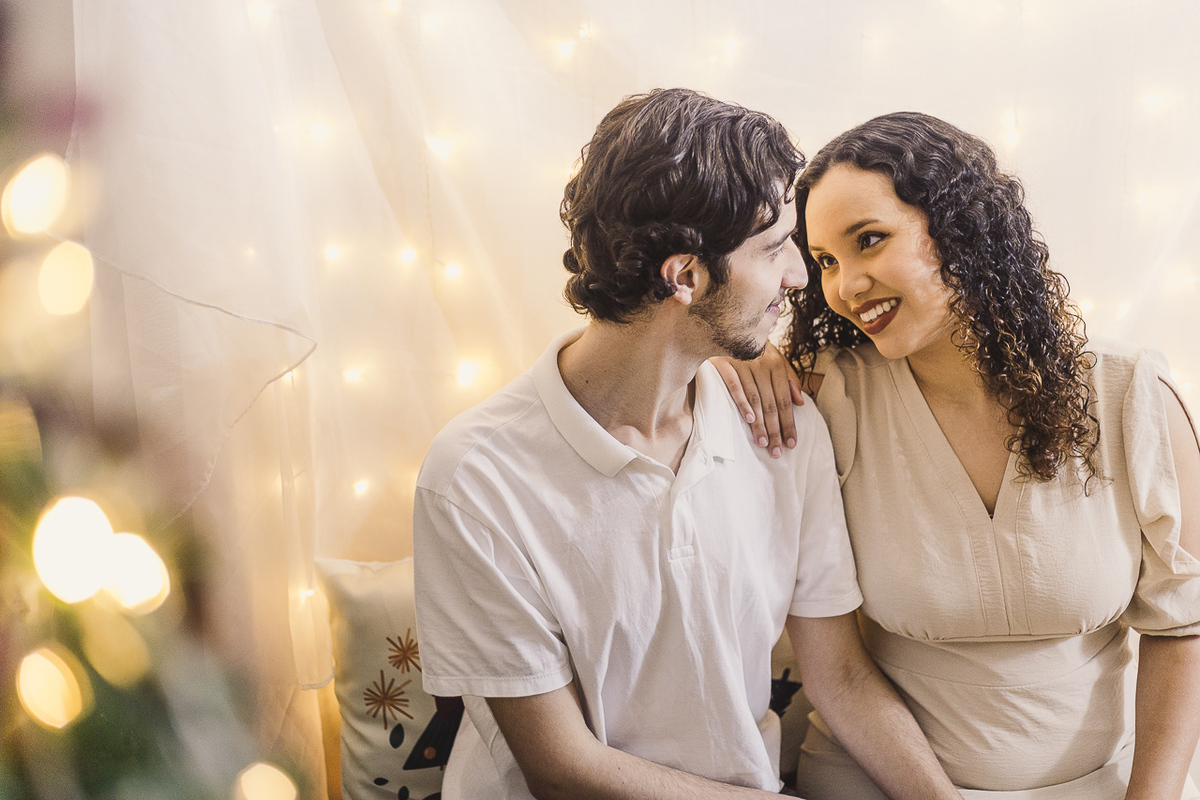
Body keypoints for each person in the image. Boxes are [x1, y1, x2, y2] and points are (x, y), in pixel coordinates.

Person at [412, 90, 961, 800]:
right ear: (685, 276)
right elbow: (562, 768)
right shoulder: (475, 476)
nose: (801, 277)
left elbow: (842, 678)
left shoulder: (784, 428)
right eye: (776, 249)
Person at [714, 111, 1200, 799]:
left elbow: (1183, 629)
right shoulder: (823, 398)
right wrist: (733, 352)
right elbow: (670, 367)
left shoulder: (1129, 395)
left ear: (963, 227)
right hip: (880, 780)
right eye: (824, 262)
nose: (845, 286)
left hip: (1104, 783)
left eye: (869, 241)